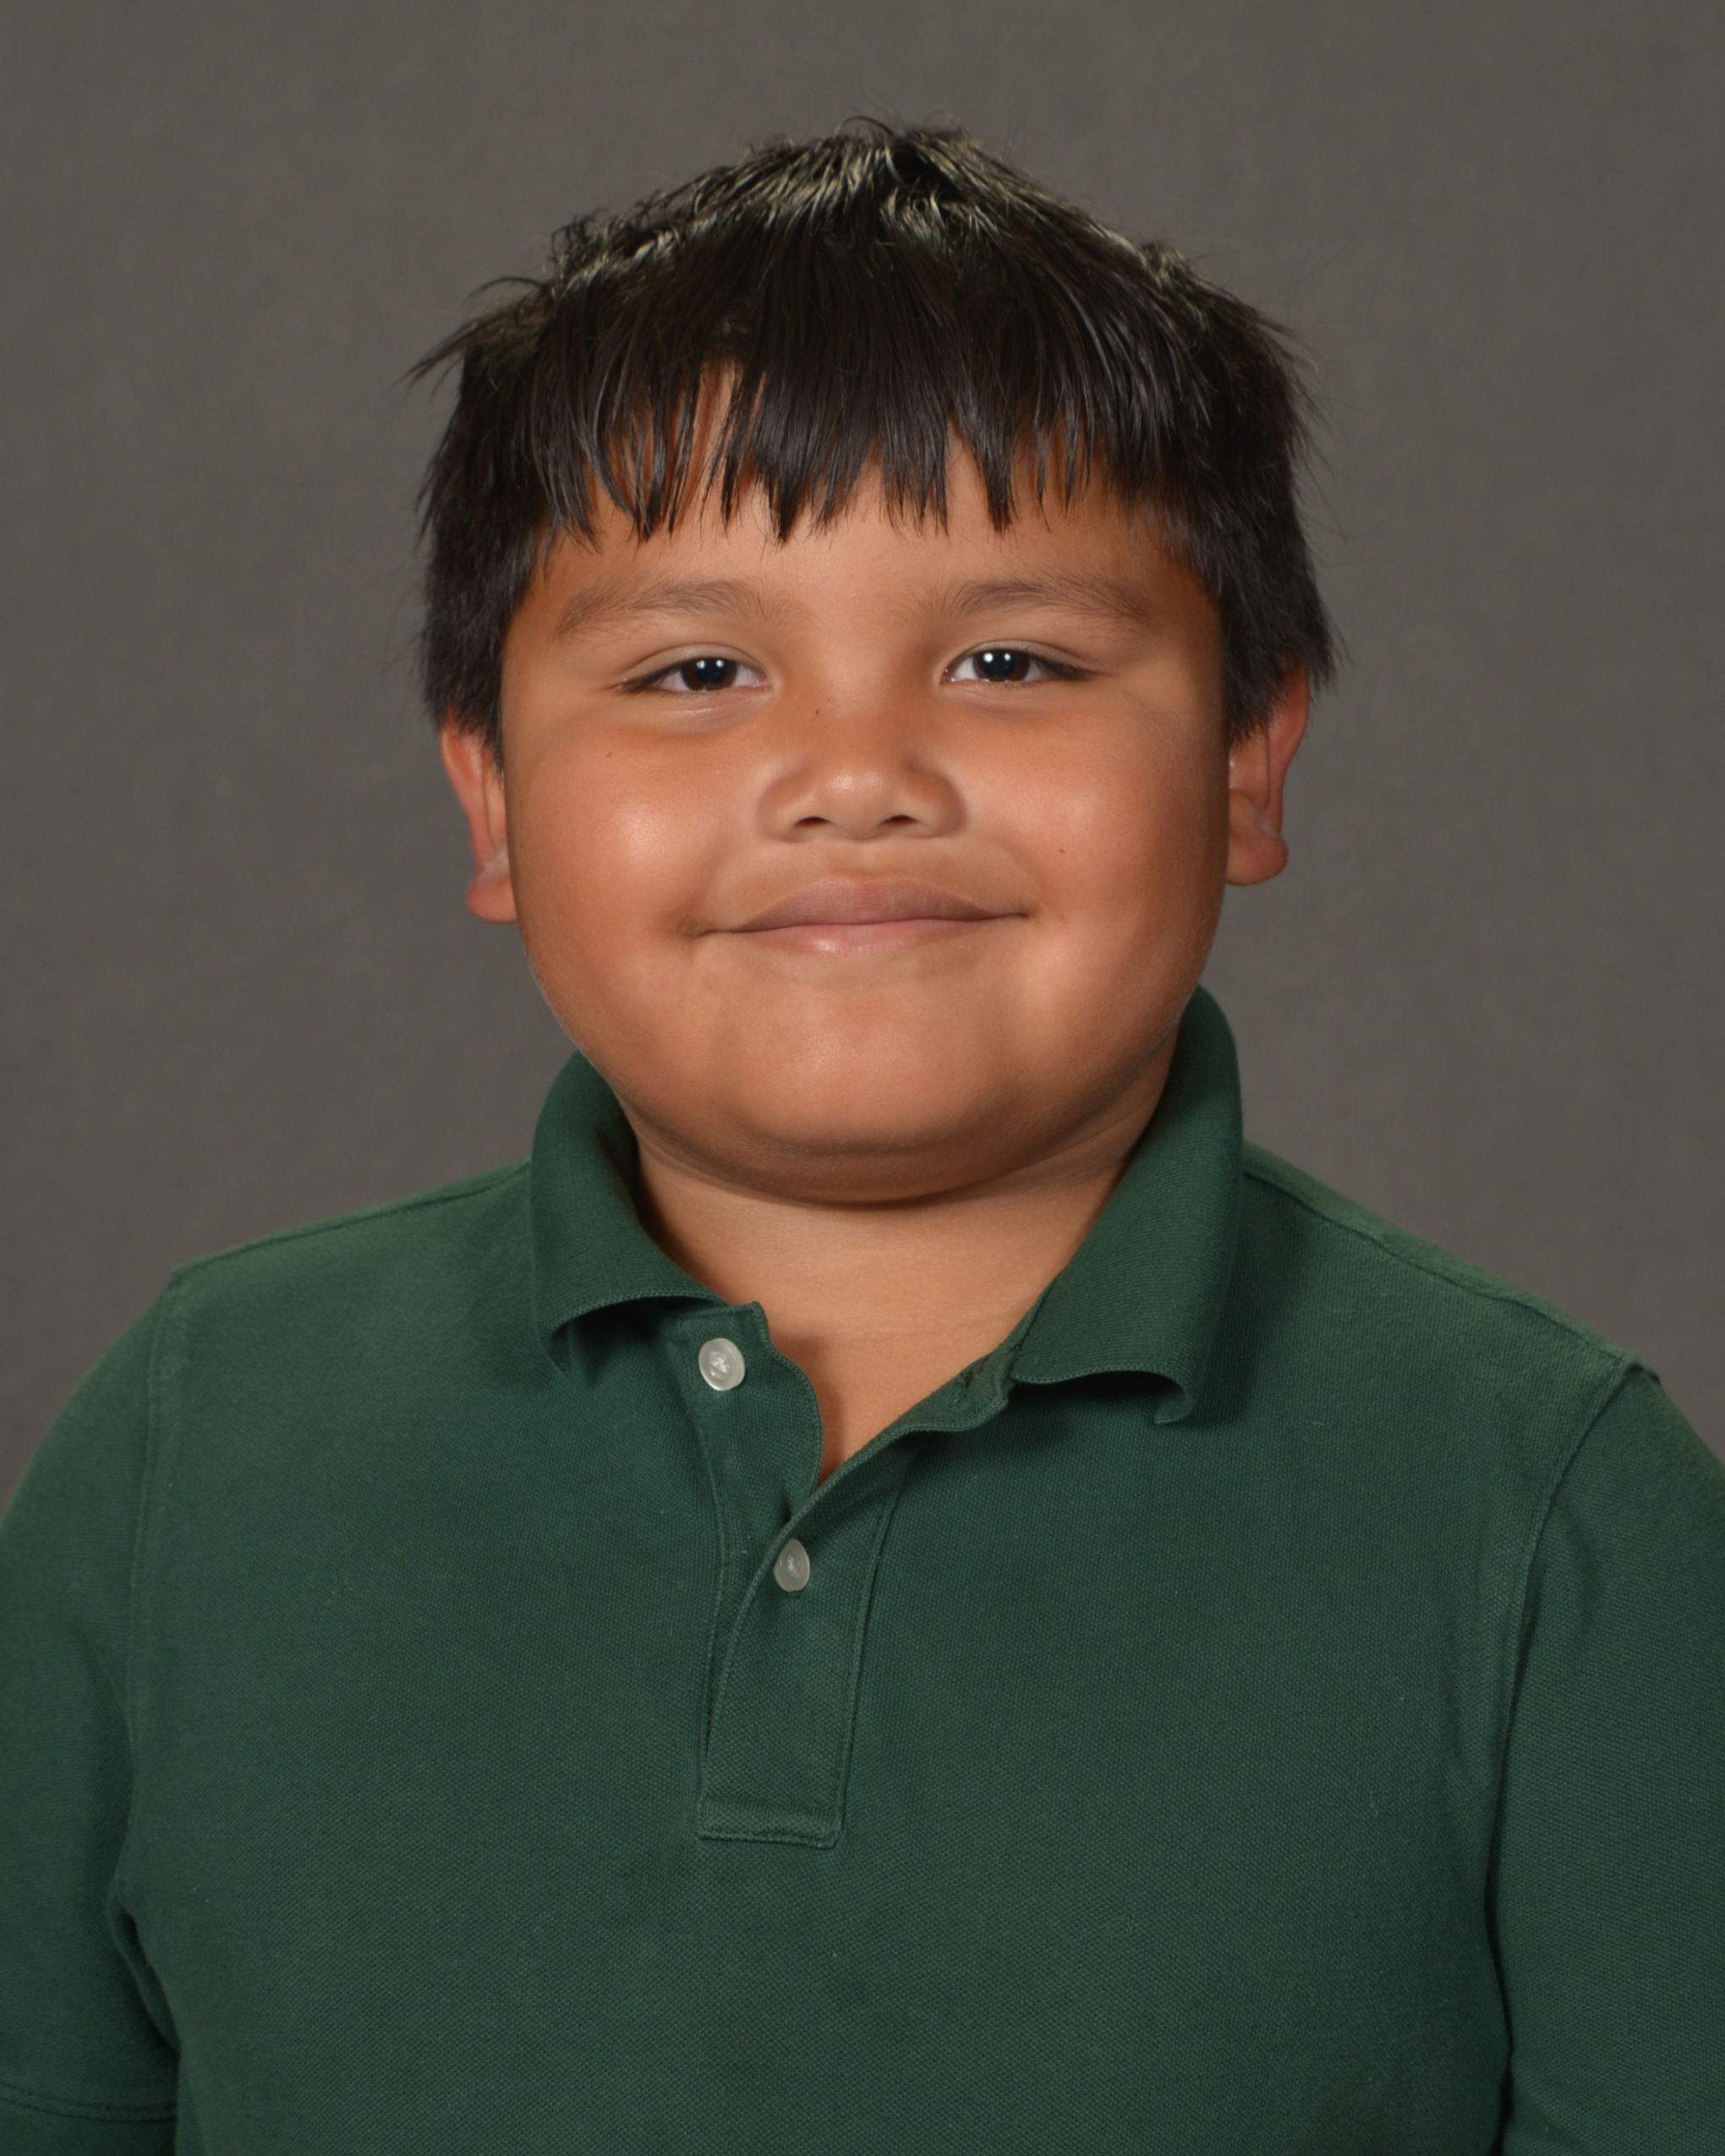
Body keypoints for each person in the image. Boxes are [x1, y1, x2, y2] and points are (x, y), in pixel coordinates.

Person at [2, 123, 1720, 2155]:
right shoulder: (196, 1440)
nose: (854, 775)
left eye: (1011, 660)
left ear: (1250, 757)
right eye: (698, 668)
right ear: (490, 796)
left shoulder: (1552, 1507)